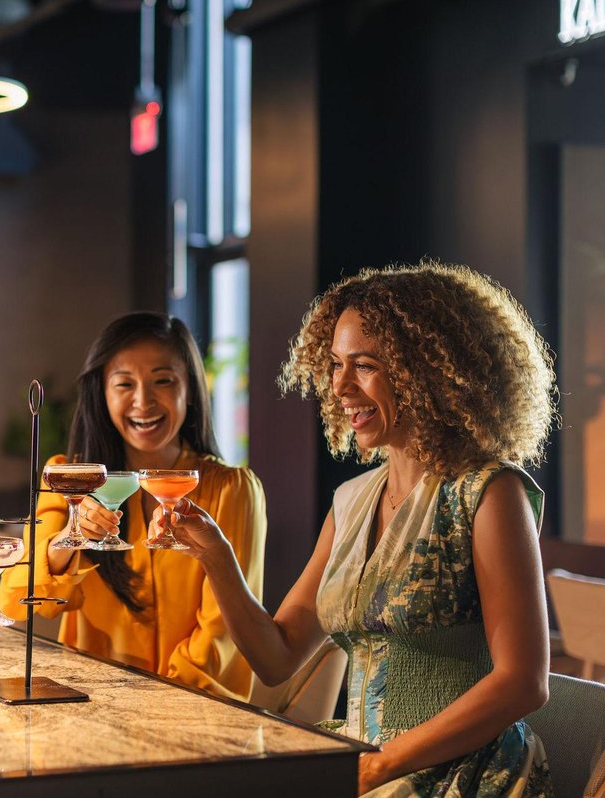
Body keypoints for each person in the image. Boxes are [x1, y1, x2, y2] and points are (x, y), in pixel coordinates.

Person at [173, 262, 558, 796]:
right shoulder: (351, 501)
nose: (339, 385)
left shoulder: (488, 494)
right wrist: (217, 558)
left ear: (429, 371)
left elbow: (523, 683)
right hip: (363, 764)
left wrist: (377, 766)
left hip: (463, 774)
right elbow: (278, 655)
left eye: (365, 365)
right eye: (334, 364)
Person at [0, 311, 267, 701]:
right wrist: (68, 541)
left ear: (190, 390)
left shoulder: (231, 490)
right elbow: (13, 596)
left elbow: (221, 635)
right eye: (124, 384)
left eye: (163, 381)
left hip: (191, 717)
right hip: (86, 708)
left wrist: (154, 705)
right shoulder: (68, 477)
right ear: (102, 393)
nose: (143, 401)